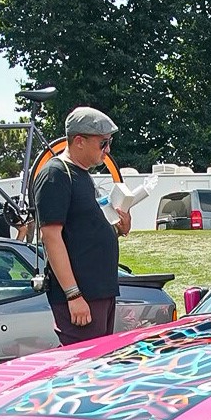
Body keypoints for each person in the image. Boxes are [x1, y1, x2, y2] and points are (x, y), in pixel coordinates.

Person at [33, 106, 132, 346]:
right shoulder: (56, 173)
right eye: (103, 143)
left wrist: (120, 227)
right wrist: (73, 294)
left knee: (99, 367)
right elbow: (51, 237)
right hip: (81, 297)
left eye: (109, 143)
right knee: (84, 372)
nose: (108, 151)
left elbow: (85, 232)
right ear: (79, 141)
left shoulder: (83, 176)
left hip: (101, 292)